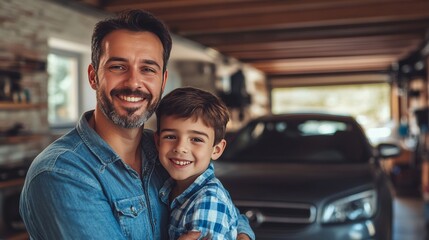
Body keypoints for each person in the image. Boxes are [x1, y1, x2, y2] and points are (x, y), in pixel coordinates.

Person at [19, 9, 254, 240]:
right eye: (118, 67)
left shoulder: (165, 152)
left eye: (148, 69)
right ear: (93, 76)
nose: (133, 82)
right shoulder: (63, 173)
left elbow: (214, 197)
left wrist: (242, 233)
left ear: (162, 81)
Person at [155, 87, 242, 239]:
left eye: (196, 139)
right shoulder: (171, 186)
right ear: (157, 141)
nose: (180, 148)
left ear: (216, 149)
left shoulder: (208, 201)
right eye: (170, 136)